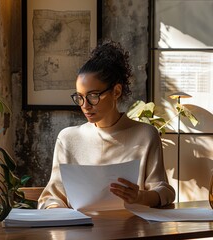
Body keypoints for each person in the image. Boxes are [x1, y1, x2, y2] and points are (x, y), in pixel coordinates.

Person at [38, 40, 175, 209]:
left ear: (116, 91)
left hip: (131, 232)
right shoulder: (68, 139)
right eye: (79, 97)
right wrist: (57, 212)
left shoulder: (145, 135)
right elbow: (51, 197)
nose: (85, 105)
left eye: (93, 96)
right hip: (79, 231)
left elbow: (164, 192)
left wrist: (140, 196)